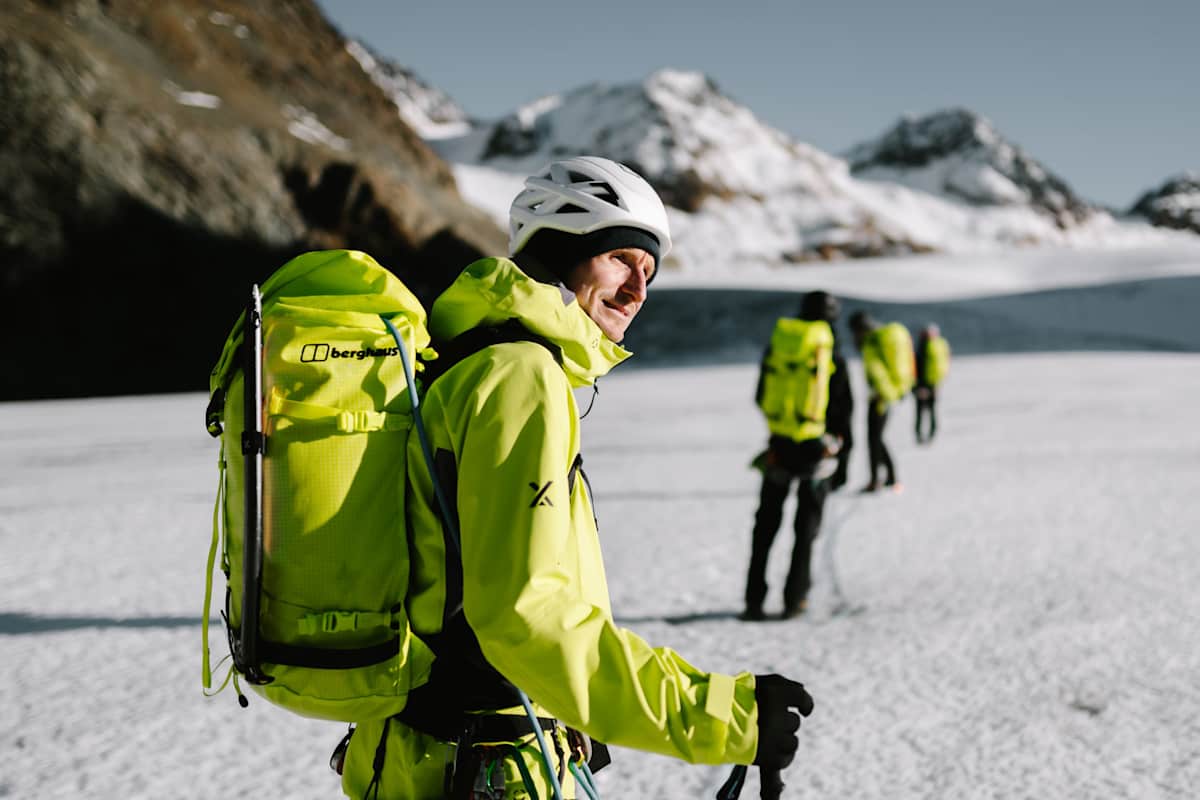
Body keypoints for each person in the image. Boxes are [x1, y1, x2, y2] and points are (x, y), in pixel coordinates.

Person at [338, 156, 814, 799]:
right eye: (620, 259)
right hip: (481, 764)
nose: (636, 290)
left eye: (648, 272)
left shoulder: (473, 359)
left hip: (427, 753)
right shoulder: (519, 377)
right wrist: (724, 716)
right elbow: (525, 618)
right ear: (560, 250)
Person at [740, 291, 854, 622]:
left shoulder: (779, 346)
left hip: (779, 445)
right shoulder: (830, 355)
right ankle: (795, 599)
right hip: (817, 451)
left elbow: (762, 395)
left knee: (766, 527)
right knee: (805, 530)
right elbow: (843, 410)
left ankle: (754, 600)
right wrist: (841, 456)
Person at [847, 310, 914, 493]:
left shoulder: (872, 343)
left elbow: (878, 372)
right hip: (887, 395)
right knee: (878, 438)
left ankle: (876, 480)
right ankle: (890, 478)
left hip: (880, 398)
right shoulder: (881, 338)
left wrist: (882, 394)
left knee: (874, 439)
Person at [914, 322, 951, 443]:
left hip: (926, 383)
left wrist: (919, 385)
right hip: (932, 382)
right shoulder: (940, 345)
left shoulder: (925, 346)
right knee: (929, 410)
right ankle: (929, 433)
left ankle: (924, 434)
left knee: (922, 411)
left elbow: (919, 366)